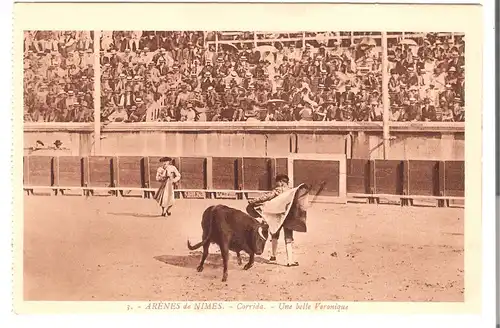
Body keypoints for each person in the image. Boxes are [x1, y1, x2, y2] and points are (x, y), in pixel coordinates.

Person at [246, 174, 299, 267]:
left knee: (274, 235)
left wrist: (254, 201)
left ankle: (273, 256)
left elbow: (267, 197)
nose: (276, 184)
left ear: (281, 182)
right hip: (288, 217)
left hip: (277, 217)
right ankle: (290, 261)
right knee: (288, 238)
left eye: (277, 182)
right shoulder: (292, 191)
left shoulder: (278, 190)